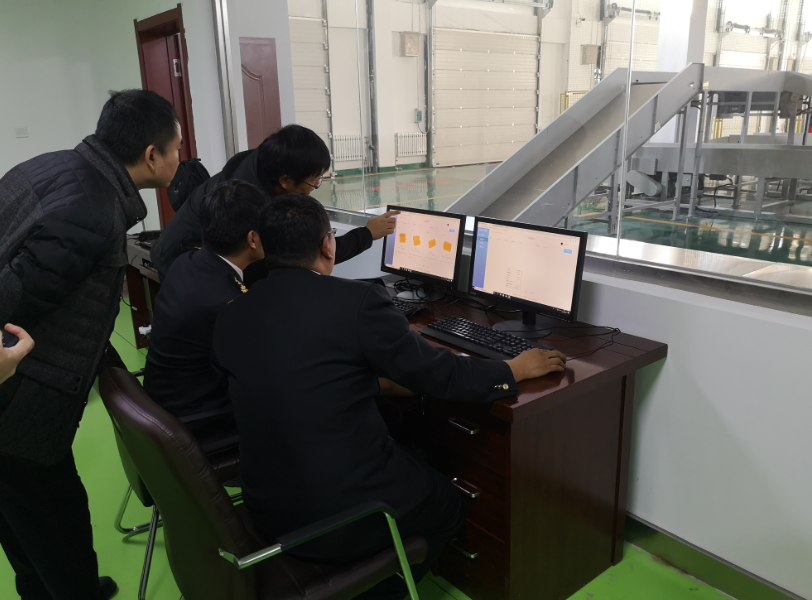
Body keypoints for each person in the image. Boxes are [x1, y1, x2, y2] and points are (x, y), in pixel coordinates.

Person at [211, 194, 567, 600]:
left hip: (266, 508)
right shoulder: (355, 303)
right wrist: (511, 370)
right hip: (336, 518)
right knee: (448, 505)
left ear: (260, 244)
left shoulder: (231, 313)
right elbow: (440, 374)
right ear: (328, 245)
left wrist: (367, 382)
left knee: (407, 448)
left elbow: (290, 379)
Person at [0, 89, 181, 599]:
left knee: (19, 515)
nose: (179, 159)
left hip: (20, 392)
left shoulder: (53, 166)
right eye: (176, 148)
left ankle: (41, 588)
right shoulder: (91, 210)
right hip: (21, 400)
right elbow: (13, 295)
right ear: (151, 155)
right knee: (56, 524)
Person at [150, 124, 398, 283]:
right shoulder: (250, 206)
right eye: (313, 181)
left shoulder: (263, 161)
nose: (315, 186)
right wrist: (367, 234)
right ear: (285, 181)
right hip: (181, 259)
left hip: (187, 253)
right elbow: (308, 254)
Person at [143, 180, 265, 449]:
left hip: (165, 408)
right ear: (252, 239)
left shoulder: (187, 263)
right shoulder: (228, 303)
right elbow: (259, 378)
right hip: (200, 425)